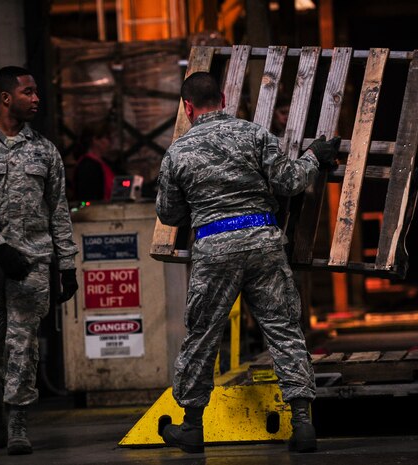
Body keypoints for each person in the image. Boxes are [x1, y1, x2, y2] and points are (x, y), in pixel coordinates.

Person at [155, 72, 340, 454]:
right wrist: (313, 158)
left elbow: (170, 215)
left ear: (187, 108)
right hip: (263, 241)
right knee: (284, 330)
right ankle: (303, 424)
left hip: (214, 249)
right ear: (222, 98)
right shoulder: (253, 134)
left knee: (203, 335)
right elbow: (288, 181)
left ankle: (191, 427)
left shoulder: (177, 152)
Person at [0, 66, 79, 456]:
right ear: (6, 98)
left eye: (36, 91)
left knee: (23, 343)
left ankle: (19, 421)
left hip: (32, 263)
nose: (36, 98)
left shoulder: (45, 150)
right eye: (29, 92)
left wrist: (68, 264)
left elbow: (58, 210)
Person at [73, 121, 116, 201]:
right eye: (107, 138)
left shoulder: (103, 163)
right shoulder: (88, 166)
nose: (110, 142)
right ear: (95, 140)